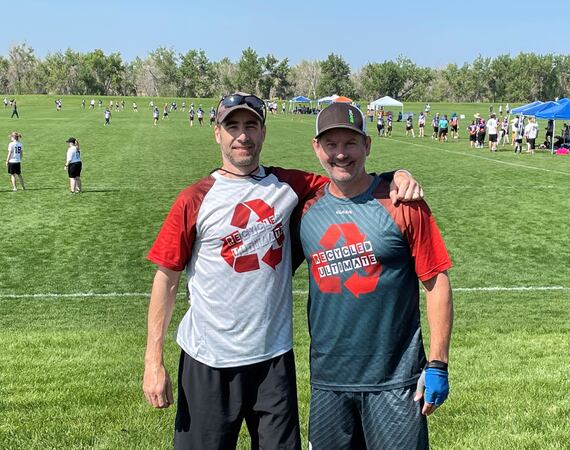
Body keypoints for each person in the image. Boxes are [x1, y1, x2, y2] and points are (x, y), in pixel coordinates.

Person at [143, 92, 423, 450]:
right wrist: (154, 361)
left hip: (273, 362)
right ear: (217, 134)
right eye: (232, 126)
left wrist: (396, 175)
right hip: (208, 360)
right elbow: (165, 280)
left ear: (263, 132)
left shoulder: (289, 186)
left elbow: (349, 178)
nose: (242, 135)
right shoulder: (195, 198)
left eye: (251, 125)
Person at [297, 103, 453, 449]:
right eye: (331, 144)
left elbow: (436, 281)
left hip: (394, 382)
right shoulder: (305, 208)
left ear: (367, 145)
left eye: (350, 143)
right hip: (328, 383)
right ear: (316, 147)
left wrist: (438, 363)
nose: (341, 154)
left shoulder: (402, 203)